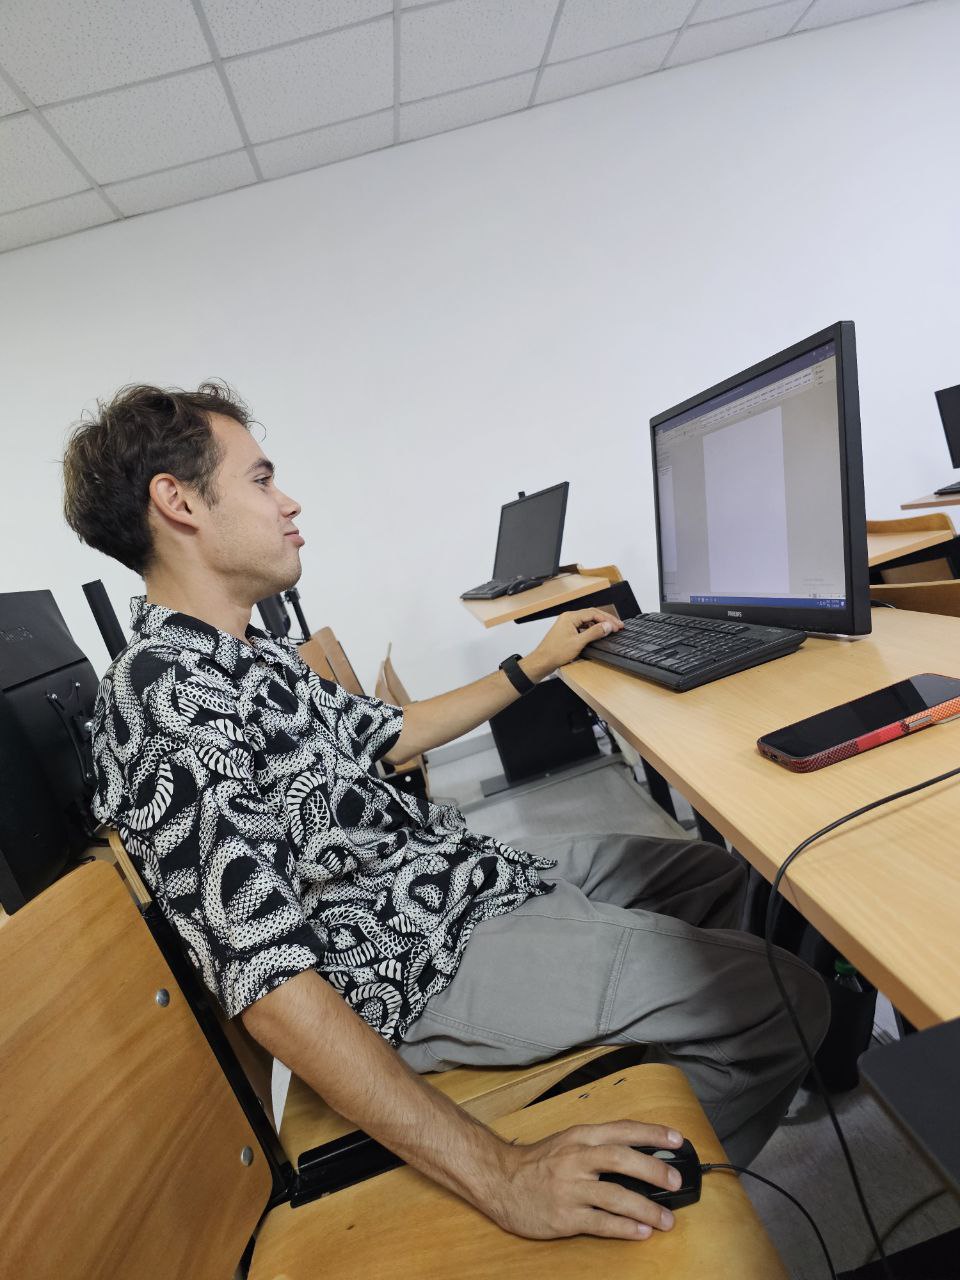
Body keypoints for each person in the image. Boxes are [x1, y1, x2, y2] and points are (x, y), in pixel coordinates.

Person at [62, 382, 829, 1245]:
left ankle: (650, 1070)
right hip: (413, 963)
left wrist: (532, 665)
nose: (289, 502)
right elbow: (267, 981)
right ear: (178, 501)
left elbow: (391, 733)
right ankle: (638, 1217)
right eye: (262, 479)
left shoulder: (244, 655)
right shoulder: (163, 694)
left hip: (455, 883)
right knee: (786, 1001)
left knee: (717, 876)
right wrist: (503, 1174)